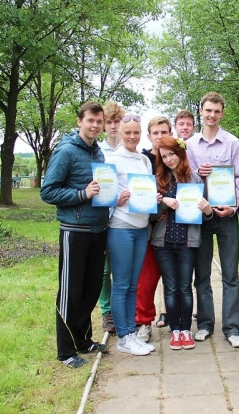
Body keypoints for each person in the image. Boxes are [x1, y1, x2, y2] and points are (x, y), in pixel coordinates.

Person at [40, 100, 109, 368]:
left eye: (99, 121)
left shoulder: (98, 153)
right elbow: (48, 191)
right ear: (80, 121)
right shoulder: (66, 151)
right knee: (71, 291)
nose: (95, 125)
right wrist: (82, 194)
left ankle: (83, 340)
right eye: (90, 120)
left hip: (98, 229)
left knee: (91, 289)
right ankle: (66, 351)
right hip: (75, 231)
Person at [186, 91, 239, 348]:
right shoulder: (190, 145)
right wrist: (197, 173)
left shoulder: (233, 143)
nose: (212, 115)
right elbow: (185, 180)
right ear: (201, 111)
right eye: (208, 110)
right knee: (202, 274)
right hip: (200, 215)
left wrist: (233, 207)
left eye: (217, 111)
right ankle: (205, 324)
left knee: (230, 274)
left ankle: (232, 328)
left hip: (226, 215)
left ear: (222, 113)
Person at [152, 135, 213, 350]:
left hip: (187, 241)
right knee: (170, 287)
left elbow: (206, 216)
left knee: (185, 287)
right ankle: (175, 330)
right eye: (164, 156)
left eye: (172, 154)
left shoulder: (195, 179)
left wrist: (208, 211)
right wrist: (163, 202)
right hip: (163, 242)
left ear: (180, 154)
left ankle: (186, 329)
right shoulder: (159, 180)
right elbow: (151, 216)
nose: (169, 160)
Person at [105, 113, 157, 356]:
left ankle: (131, 333)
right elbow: (103, 196)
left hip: (141, 227)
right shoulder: (112, 160)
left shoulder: (144, 160)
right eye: (128, 133)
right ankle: (124, 337)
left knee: (134, 283)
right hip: (121, 226)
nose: (132, 137)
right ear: (119, 133)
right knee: (121, 283)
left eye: (136, 132)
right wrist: (116, 199)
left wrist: (154, 197)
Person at [134, 116, 172, 343]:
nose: (159, 137)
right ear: (149, 136)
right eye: (155, 133)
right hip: (149, 228)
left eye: (164, 132)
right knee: (146, 281)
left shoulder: (176, 158)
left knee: (175, 279)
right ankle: (143, 322)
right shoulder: (142, 161)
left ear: (170, 134)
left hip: (175, 228)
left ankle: (176, 320)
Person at [97, 100, 125, 335]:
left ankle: (122, 310)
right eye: (109, 122)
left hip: (125, 219)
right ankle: (107, 311)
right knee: (104, 270)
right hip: (103, 217)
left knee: (123, 269)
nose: (114, 126)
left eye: (117, 121)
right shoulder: (98, 152)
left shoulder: (132, 150)